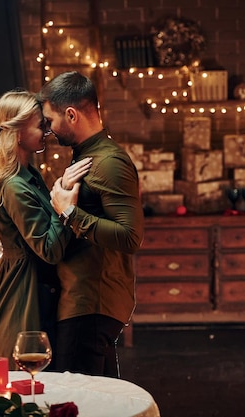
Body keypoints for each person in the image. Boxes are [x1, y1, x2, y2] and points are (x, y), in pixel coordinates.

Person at [0, 89, 91, 366]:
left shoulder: (29, 175)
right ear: (17, 132)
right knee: (28, 380)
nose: (47, 130)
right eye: (40, 125)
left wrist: (63, 191)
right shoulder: (14, 186)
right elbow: (49, 249)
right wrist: (64, 206)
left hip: (37, 285)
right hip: (25, 295)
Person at [38, 71, 144, 377]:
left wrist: (70, 213)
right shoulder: (86, 157)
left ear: (70, 115)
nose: (48, 130)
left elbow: (130, 237)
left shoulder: (109, 162)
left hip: (90, 303)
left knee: (76, 404)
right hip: (83, 300)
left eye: (50, 120)